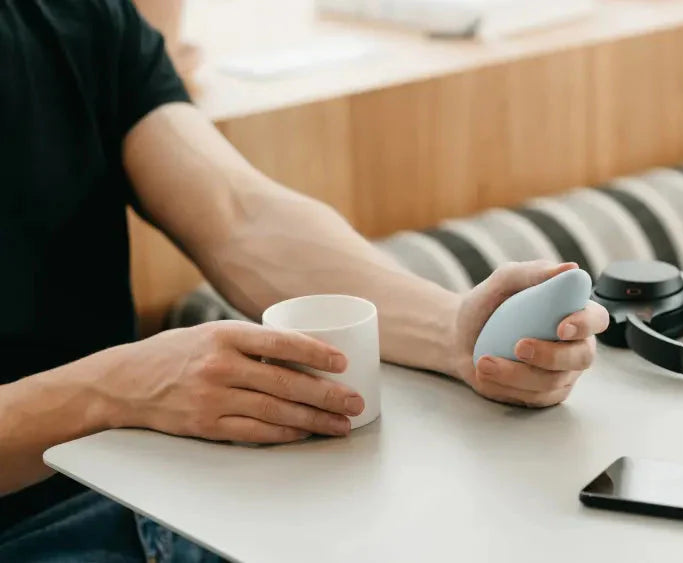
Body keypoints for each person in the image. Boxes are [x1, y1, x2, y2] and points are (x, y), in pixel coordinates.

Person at [0, 1, 609, 560]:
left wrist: (449, 330)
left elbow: (238, 215)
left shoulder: (77, 16)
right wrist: (113, 390)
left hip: (139, 492)